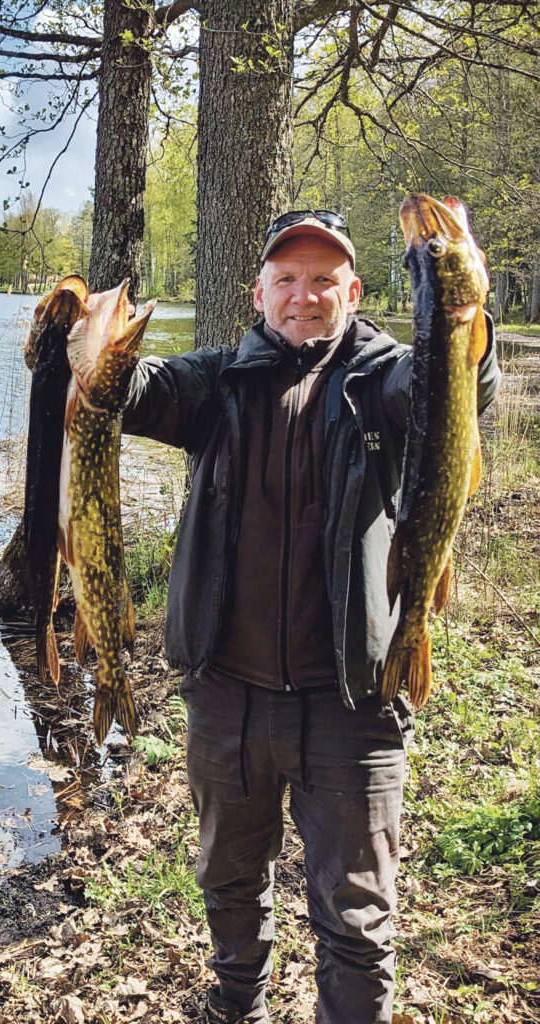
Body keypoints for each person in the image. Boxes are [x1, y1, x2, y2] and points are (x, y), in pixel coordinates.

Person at [121, 212, 500, 1024]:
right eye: (286, 280)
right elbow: (134, 395)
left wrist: (466, 310)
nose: (304, 296)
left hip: (352, 703)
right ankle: (238, 1011)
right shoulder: (218, 381)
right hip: (228, 699)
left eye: (323, 280)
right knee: (229, 889)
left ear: (353, 292)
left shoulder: (390, 376)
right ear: (258, 292)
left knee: (356, 922)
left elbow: (466, 387)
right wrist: (83, 353)